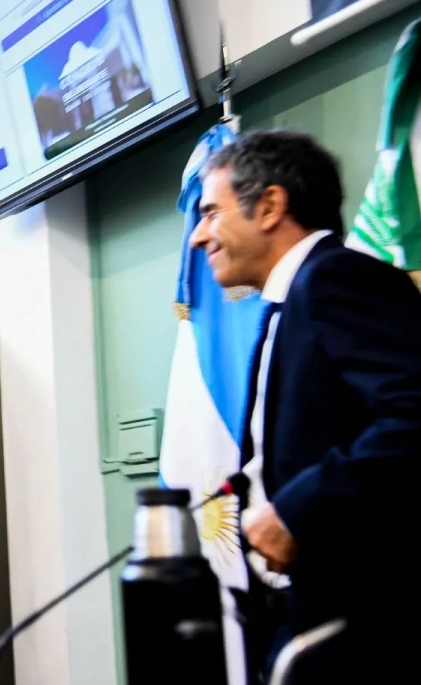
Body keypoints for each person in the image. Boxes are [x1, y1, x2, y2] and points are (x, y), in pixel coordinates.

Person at [189, 129, 421, 683]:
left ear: (269, 205)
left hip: (365, 623)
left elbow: (413, 413)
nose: (198, 236)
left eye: (210, 213)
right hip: (305, 608)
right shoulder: (293, 301)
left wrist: (298, 509)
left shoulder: (336, 279)